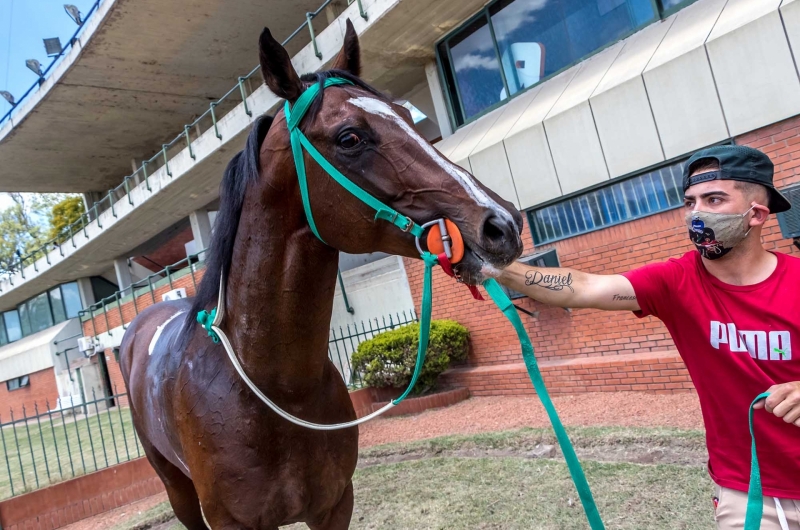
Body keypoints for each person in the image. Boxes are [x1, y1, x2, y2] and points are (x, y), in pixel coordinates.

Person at [487, 145, 800, 529]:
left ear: (756, 215)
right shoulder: (676, 281)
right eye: (690, 201)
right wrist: (488, 262)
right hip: (748, 491)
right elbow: (580, 288)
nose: (696, 213)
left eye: (714, 199)